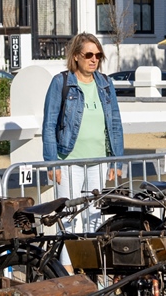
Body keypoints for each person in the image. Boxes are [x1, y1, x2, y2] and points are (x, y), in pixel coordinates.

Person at [42, 33, 124, 250]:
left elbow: (115, 123)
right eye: (89, 55)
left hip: (99, 162)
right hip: (68, 162)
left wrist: (116, 161)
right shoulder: (61, 82)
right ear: (76, 56)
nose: (94, 59)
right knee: (68, 218)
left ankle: (89, 266)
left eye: (98, 55)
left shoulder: (105, 83)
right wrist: (51, 162)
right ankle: (67, 267)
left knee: (95, 218)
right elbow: (49, 124)